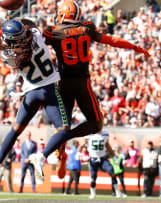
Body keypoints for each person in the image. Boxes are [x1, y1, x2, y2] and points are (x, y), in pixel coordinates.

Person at [42, 0, 149, 175]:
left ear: (62, 14)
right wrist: (134, 47)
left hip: (64, 83)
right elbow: (112, 40)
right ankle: (66, 139)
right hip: (83, 83)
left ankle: (61, 146)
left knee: (63, 126)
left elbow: (37, 45)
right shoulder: (87, 28)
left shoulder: (54, 32)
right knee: (96, 124)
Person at [0, 18, 73, 182]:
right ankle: (42, 156)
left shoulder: (9, 55)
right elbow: (30, 25)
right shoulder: (35, 35)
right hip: (50, 89)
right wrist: (8, 25)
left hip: (31, 94)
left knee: (15, 130)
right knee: (64, 130)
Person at [85, 131, 126, 199]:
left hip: (102, 158)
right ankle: (92, 193)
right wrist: (80, 152)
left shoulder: (104, 134)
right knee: (93, 178)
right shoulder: (89, 135)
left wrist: (115, 158)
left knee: (112, 172)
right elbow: (83, 144)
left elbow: (108, 147)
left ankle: (118, 193)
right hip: (93, 159)